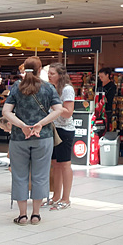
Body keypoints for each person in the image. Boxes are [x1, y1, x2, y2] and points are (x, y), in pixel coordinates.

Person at [2, 57, 63, 226]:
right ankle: (36, 214)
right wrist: (41, 123)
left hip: (19, 137)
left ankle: (22, 216)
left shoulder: (16, 87)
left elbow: (6, 111)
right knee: (40, 175)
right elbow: (58, 110)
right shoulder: (48, 88)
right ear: (40, 69)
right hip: (43, 137)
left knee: (19, 176)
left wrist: (22, 125)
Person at [47, 63, 75, 211]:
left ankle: (66, 198)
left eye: (52, 73)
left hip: (64, 129)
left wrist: (55, 107)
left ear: (60, 75)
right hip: (53, 128)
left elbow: (68, 112)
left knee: (65, 164)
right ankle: (56, 196)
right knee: (55, 163)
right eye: (49, 73)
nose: (49, 75)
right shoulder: (52, 88)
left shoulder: (67, 89)